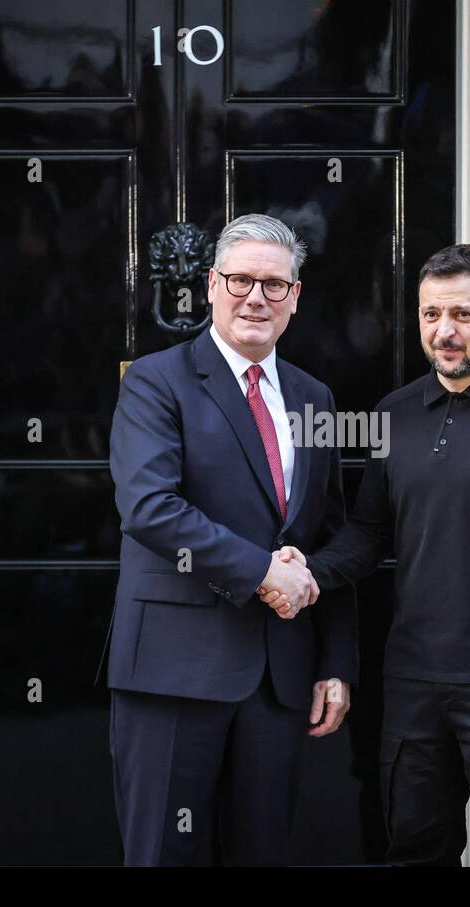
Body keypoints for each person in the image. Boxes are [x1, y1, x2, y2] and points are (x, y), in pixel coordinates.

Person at [260, 243, 470, 866]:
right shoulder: (395, 414)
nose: (444, 331)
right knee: (415, 851)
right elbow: (369, 536)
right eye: (430, 314)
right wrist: (304, 570)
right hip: (412, 681)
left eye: (463, 316)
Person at [99, 213, 357, 865]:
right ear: (212, 285)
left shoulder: (315, 397)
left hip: (278, 676)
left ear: (296, 297)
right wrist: (265, 573)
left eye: (274, 284)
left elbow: (327, 532)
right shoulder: (157, 382)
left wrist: (335, 662)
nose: (256, 297)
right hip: (172, 670)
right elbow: (150, 508)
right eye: (241, 279)